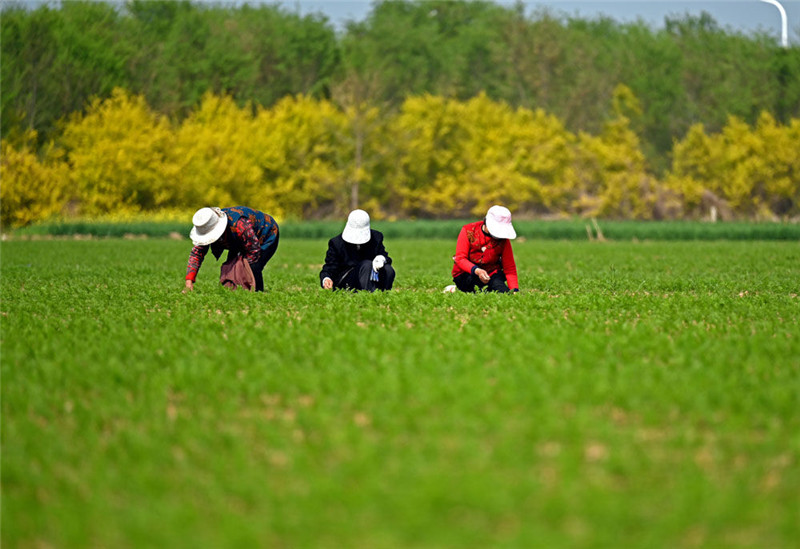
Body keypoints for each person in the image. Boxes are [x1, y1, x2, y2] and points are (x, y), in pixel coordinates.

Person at [184, 206, 279, 292]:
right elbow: (197, 254)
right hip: (239, 239)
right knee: (231, 265)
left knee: (252, 266)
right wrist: (189, 282)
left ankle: (257, 293)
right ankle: (235, 291)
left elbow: (254, 251)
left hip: (266, 234)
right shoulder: (205, 226)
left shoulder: (240, 225)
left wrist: (243, 271)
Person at [448, 205, 519, 293]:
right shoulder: (468, 230)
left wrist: (515, 290)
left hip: (491, 274)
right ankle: (458, 289)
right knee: (472, 289)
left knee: (503, 292)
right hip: (466, 274)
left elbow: (509, 267)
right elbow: (460, 259)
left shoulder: (503, 240)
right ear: (486, 223)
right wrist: (477, 271)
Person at [320, 209, 395, 292]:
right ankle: (369, 295)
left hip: (372, 277)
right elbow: (329, 267)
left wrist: (381, 258)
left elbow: (386, 258)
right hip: (348, 281)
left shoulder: (376, 238)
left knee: (388, 269)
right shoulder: (337, 243)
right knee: (366, 265)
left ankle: (383, 293)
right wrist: (326, 279)